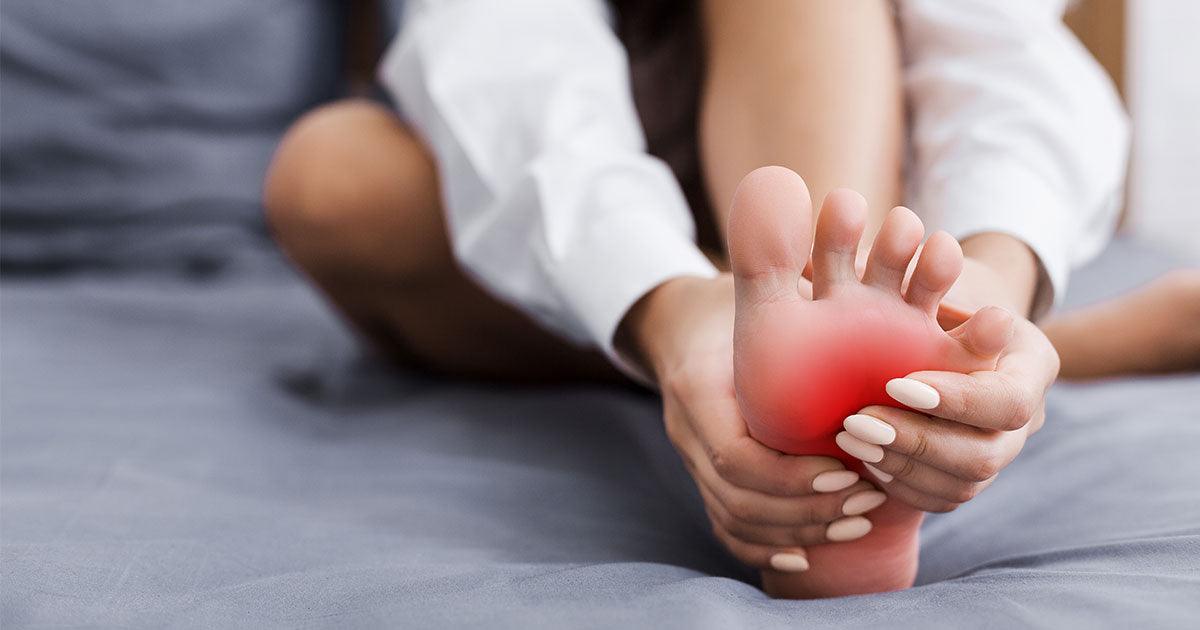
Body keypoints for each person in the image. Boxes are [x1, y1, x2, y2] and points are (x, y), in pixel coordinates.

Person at [263, 0, 1134, 598]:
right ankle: (797, 363)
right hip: (590, 172)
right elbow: (503, 54)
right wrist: (665, 304)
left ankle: (818, 357)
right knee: (327, 181)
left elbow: (998, 51)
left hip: (831, 141)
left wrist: (993, 274)